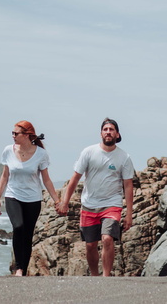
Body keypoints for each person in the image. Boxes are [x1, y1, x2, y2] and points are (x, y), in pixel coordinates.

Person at [57, 117, 134, 277]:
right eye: (105, 129)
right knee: (91, 245)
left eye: (111, 129)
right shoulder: (89, 152)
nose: (108, 132)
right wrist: (65, 202)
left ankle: (106, 277)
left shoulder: (124, 157)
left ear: (117, 134)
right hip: (89, 205)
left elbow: (128, 185)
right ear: (100, 133)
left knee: (107, 239)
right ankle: (95, 276)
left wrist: (129, 214)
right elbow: (75, 178)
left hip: (112, 205)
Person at [0, 120, 60, 276]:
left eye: (16, 133)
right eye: (13, 133)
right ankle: (18, 267)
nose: (13, 136)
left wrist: (57, 200)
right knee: (18, 227)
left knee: (28, 234)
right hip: (13, 195)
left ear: (27, 135)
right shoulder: (8, 151)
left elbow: (46, 179)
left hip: (33, 199)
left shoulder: (41, 154)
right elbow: (5, 176)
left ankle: (23, 269)